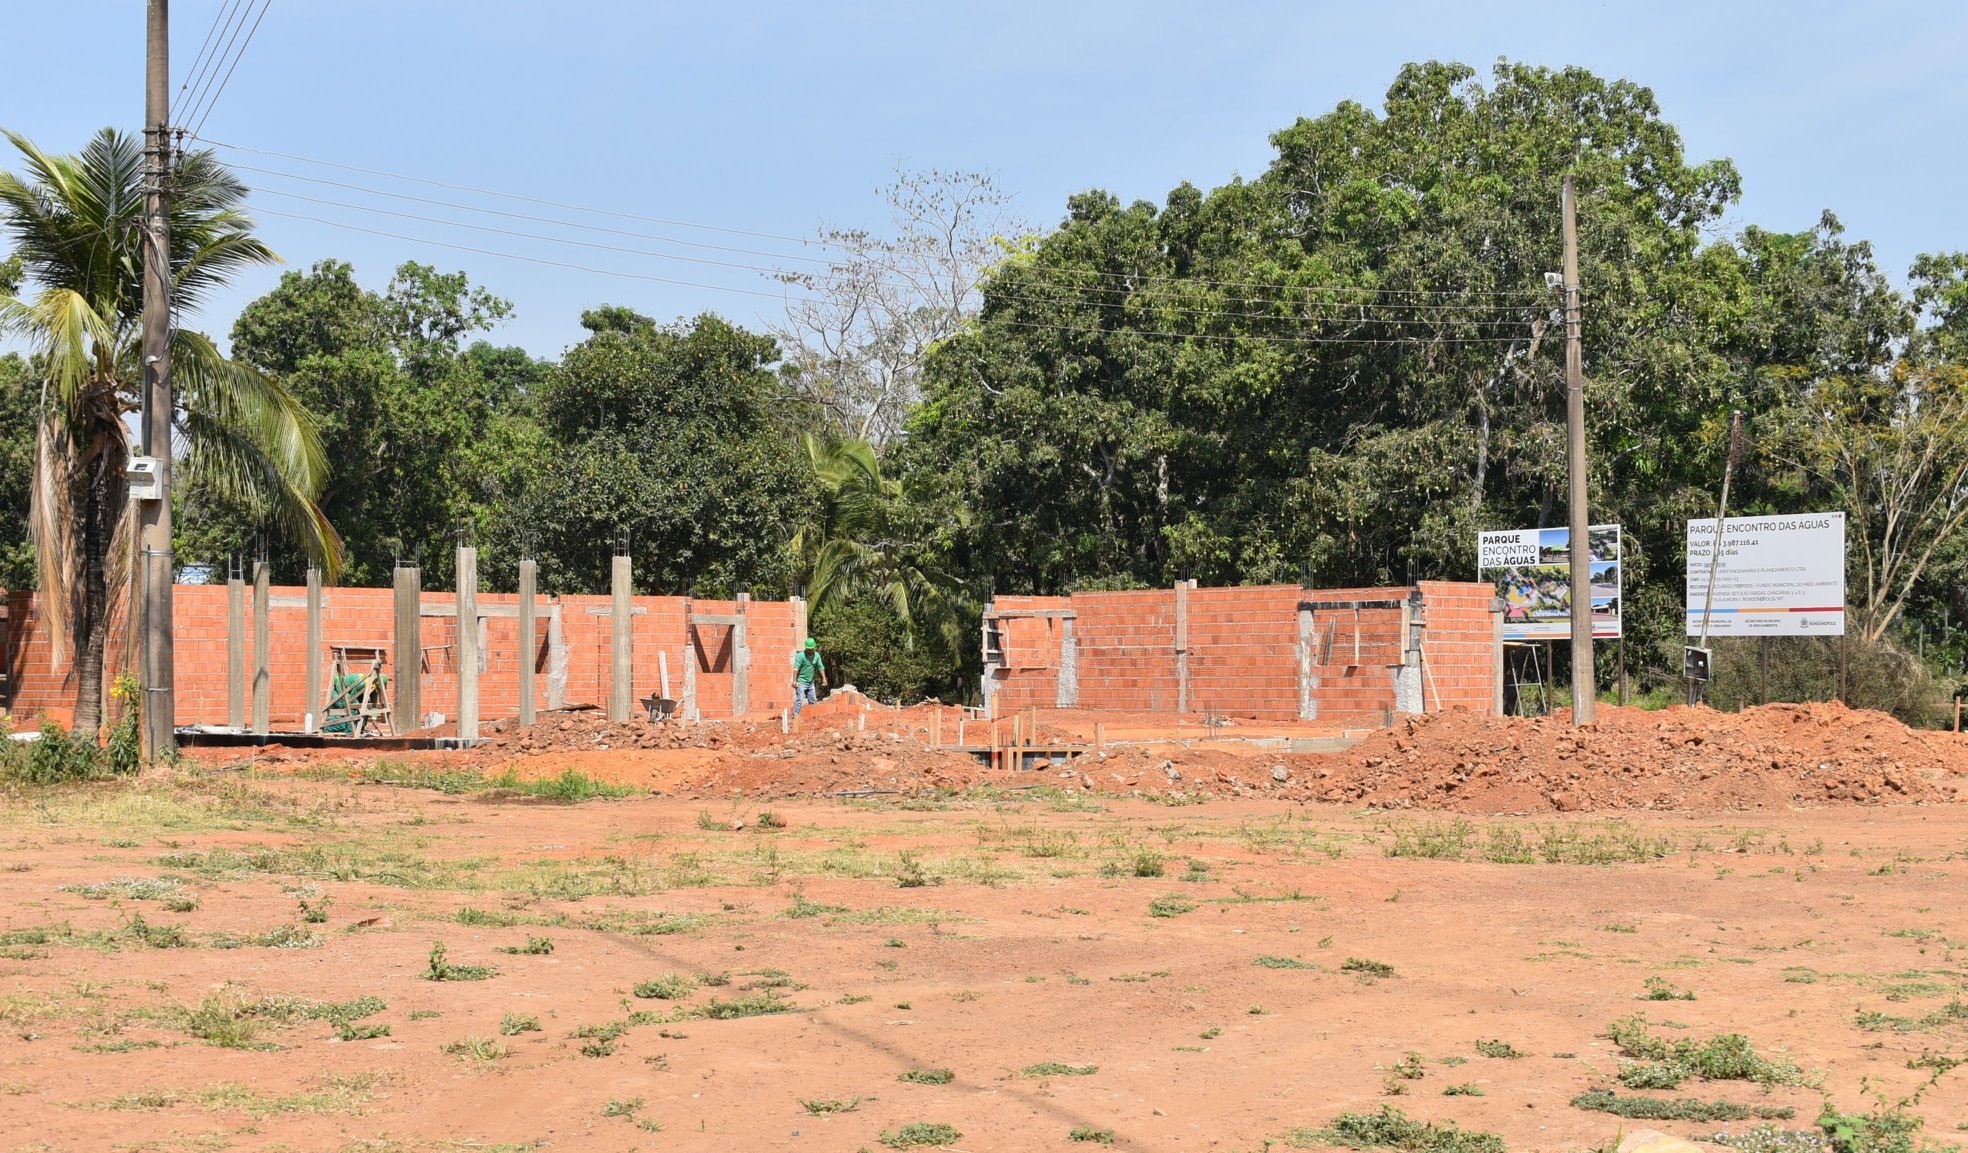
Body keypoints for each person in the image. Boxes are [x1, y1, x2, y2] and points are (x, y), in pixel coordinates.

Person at [790, 637, 827, 717]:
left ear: (814, 647)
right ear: (806, 648)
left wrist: (824, 679)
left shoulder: (817, 656)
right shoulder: (801, 656)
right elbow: (796, 669)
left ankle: (811, 717)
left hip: (810, 682)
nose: (810, 650)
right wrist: (794, 681)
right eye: (808, 649)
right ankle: (795, 715)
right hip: (801, 682)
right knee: (799, 699)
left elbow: (821, 667)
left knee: (813, 700)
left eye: (811, 649)